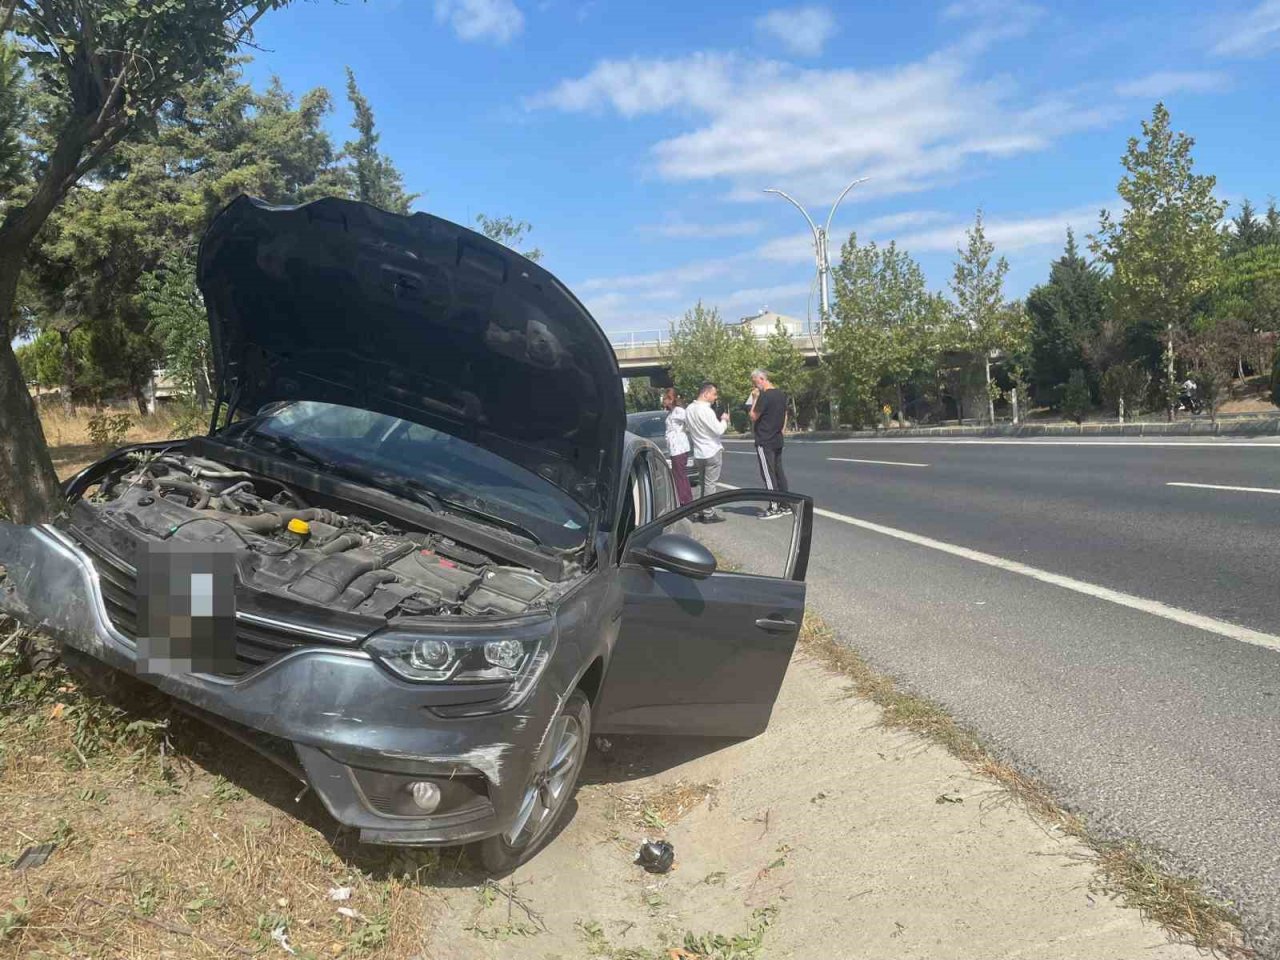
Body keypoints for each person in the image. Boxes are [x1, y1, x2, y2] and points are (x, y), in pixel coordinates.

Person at [685, 381, 730, 522]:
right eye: (714, 394)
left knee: (702, 483)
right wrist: (724, 420)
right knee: (710, 484)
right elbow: (718, 430)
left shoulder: (689, 409)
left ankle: (698, 511)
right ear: (706, 393)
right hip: (711, 450)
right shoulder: (706, 410)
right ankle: (709, 514)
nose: (715, 397)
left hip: (698, 451)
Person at [748, 368, 789, 519]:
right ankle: (785, 504)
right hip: (777, 438)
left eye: (755, 382)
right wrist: (782, 430)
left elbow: (753, 416)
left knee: (768, 473)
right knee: (779, 472)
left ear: (761, 379)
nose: (755, 385)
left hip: (764, 439)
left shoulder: (764, 396)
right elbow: (785, 413)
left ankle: (774, 507)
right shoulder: (781, 394)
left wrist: (754, 399)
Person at [661, 388, 693, 507]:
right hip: (674, 448)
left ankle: (686, 501)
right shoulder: (671, 412)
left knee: (680, 475)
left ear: (670, 399)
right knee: (678, 475)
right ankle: (684, 500)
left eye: (665, 398)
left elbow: (689, 420)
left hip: (679, 447)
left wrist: (685, 430)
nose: (663, 401)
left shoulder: (678, 411)